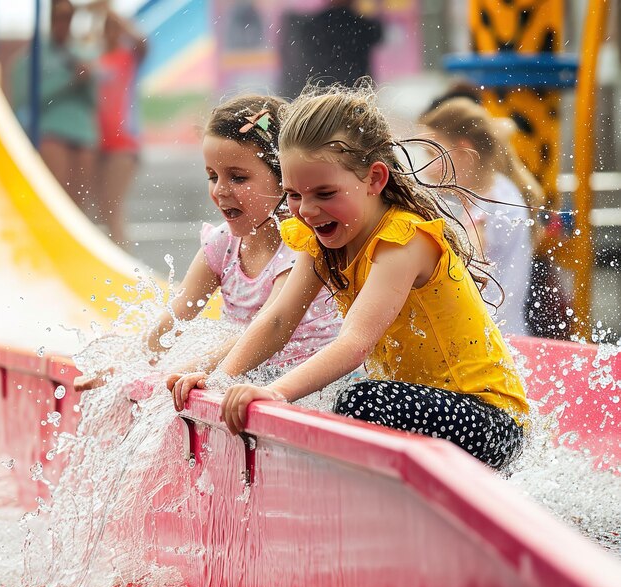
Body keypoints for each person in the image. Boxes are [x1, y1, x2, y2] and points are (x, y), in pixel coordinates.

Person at [169, 84, 529, 470]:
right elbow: (275, 321)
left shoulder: (402, 241)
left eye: (325, 193)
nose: (307, 210)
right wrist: (218, 379)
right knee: (332, 390)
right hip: (421, 405)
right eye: (293, 194)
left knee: (358, 399)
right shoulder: (323, 240)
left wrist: (275, 393)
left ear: (375, 179)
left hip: (490, 421)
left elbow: (355, 342)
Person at [75, 93, 341, 392]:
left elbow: (269, 326)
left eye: (238, 178)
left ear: (284, 179)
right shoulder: (221, 245)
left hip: (304, 384)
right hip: (247, 377)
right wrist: (127, 363)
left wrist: (189, 371)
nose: (220, 191)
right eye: (212, 176)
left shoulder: (300, 246)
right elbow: (175, 315)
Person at [417, 97, 546, 336]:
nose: (427, 166)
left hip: (491, 341)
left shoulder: (490, 210)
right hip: (505, 335)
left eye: (432, 152)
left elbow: (458, 277)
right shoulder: (496, 191)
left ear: (464, 151)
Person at [12, 0, 98, 210]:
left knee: (79, 203)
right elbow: (25, 98)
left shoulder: (83, 53)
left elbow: (94, 102)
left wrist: (87, 80)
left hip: (82, 132)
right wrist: (69, 82)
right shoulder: (34, 55)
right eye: (59, 17)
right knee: (56, 196)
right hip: (52, 131)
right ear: (51, 19)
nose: (63, 23)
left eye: (68, 18)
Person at [95, 7, 147, 245]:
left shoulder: (128, 57)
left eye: (115, 28)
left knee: (113, 209)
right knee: (103, 208)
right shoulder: (94, 58)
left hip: (123, 141)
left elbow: (142, 42)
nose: (112, 33)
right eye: (108, 28)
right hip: (96, 141)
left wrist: (111, 13)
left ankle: (123, 259)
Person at [302, 0, 382, 87]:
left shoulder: (314, 24)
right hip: (356, 88)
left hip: (323, 89)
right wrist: (376, 8)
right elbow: (377, 34)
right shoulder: (358, 23)